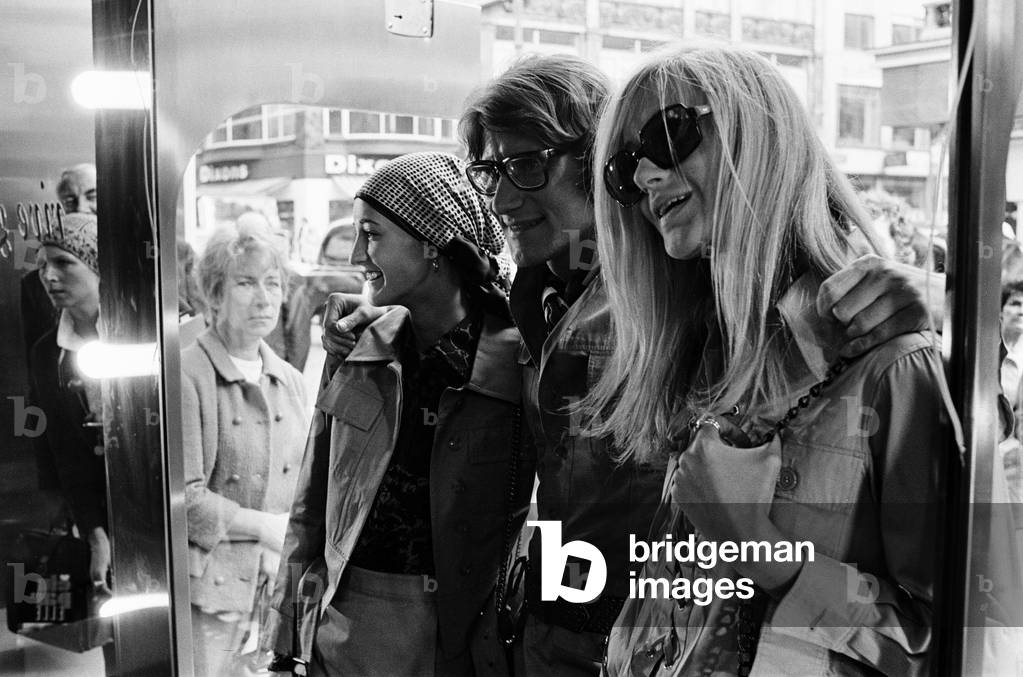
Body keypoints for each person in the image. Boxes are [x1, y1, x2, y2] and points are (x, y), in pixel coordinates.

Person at [322, 54, 947, 676]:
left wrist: (951, 325)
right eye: (490, 172)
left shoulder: (739, 323)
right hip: (567, 632)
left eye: (529, 163)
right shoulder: (566, 304)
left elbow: (972, 629)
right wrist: (381, 328)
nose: (646, 173)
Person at [587, 45, 945, 675]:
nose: (644, 176)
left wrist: (764, 554)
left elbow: (958, 641)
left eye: (668, 134)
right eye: (624, 168)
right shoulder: (704, 360)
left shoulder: (891, 363)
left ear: (762, 133)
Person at [264, 152, 533, 676]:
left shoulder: (518, 361)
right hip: (344, 636)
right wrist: (285, 639)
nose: (357, 256)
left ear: (432, 242)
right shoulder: (358, 349)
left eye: (372, 234)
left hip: (466, 641)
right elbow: (312, 504)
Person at [181, 226, 309, 677]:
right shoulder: (188, 377)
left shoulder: (291, 381)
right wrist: (268, 528)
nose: (263, 298)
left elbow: (309, 487)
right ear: (214, 295)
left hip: (278, 595)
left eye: (272, 283)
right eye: (245, 282)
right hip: (212, 597)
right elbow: (185, 498)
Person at [27, 212, 110, 593]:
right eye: (43, 264)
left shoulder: (148, 332)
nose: (49, 275)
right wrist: (93, 533)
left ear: (97, 266)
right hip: (96, 514)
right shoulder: (48, 354)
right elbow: (63, 452)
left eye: (64, 262)